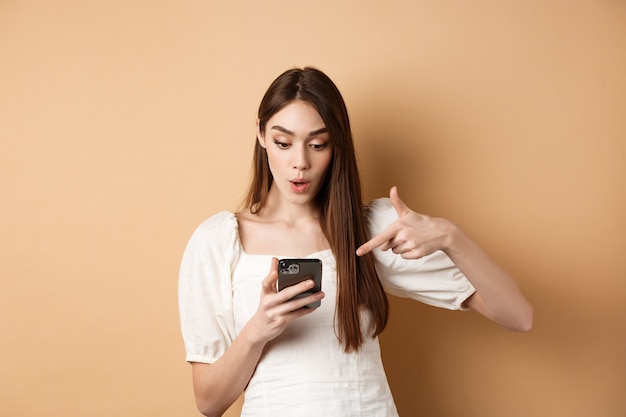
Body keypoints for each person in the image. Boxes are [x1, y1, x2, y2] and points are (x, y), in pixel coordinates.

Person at [178, 67, 533, 417]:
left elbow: (518, 316)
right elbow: (209, 403)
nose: (299, 163)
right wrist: (257, 330)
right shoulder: (218, 240)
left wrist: (451, 237)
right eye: (283, 143)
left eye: (318, 144)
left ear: (337, 146)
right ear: (260, 134)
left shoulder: (370, 230)